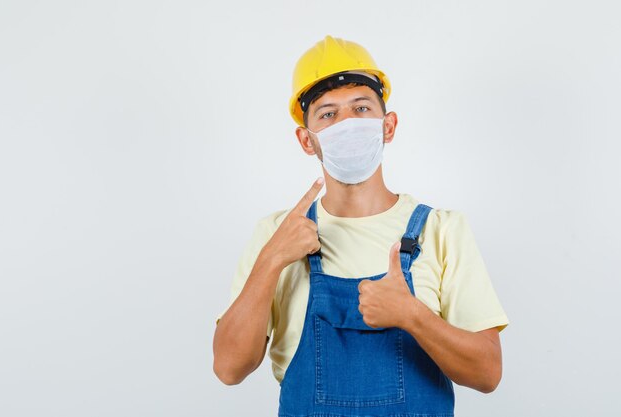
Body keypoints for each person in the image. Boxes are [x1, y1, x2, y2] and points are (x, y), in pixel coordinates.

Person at [213, 35, 509, 417]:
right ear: (307, 140)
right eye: (328, 114)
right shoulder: (277, 232)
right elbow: (228, 368)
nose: (347, 124)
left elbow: (488, 373)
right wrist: (272, 259)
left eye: (361, 107)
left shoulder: (441, 230)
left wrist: (412, 315)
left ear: (388, 126)